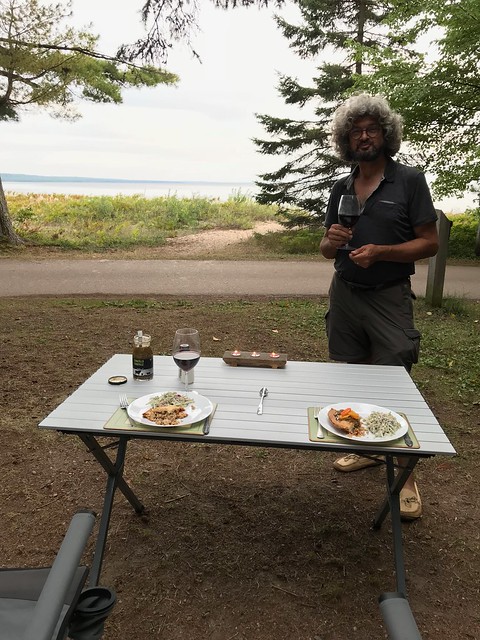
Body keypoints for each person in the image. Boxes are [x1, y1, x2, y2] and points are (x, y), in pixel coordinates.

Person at [320, 93, 439, 520]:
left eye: (371, 129)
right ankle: (367, 449)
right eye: (355, 130)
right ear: (345, 139)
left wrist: (382, 252)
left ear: (385, 135)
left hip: (389, 295)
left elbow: (430, 242)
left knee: (394, 384)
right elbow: (325, 247)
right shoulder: (341, 186)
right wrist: (329, 242)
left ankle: (405, 478)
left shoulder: (408, 180)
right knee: (351, 376)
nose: (364, 136)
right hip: (345, 293)